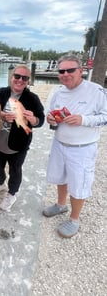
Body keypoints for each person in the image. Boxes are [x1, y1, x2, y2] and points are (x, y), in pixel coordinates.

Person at [43, 55, 107, 238]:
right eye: (61, 71)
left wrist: (83, 119)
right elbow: (51, 114)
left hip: (82, 147)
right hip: (59, 143)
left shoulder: (96, 91)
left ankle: (74, 219)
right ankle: (61, 205)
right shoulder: (58, 92)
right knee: (60, 177)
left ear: (81, 71)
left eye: (70, 70)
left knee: (79, 184)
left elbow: (106, 116)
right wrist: (50, 118)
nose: (65, 74)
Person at [0, 65, 45, 211]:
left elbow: (41, 120)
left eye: (24, 78)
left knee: (15, 170)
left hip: (19, 144)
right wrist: (1, 115)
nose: (20, 80)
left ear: (28, 81)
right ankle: (0, 183)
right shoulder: (0, 92)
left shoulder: (32, 98)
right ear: (11, 77)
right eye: (17, 76)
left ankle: (12, 193)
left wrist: (33, 120)